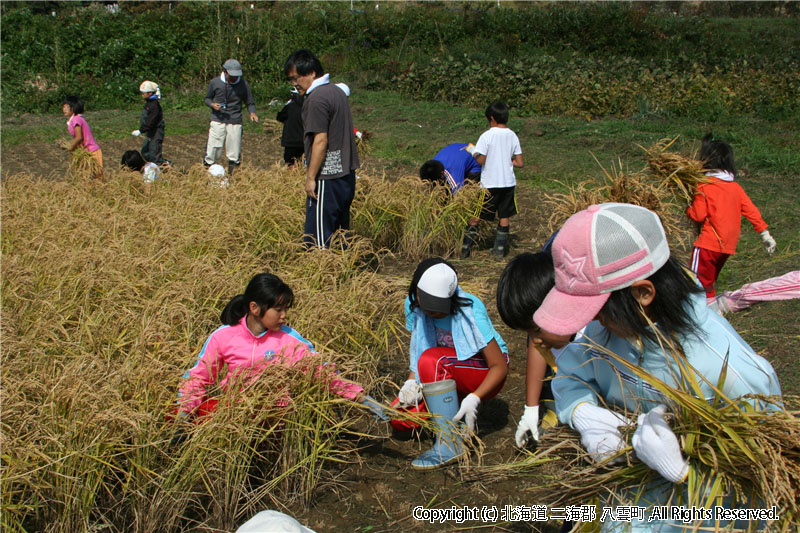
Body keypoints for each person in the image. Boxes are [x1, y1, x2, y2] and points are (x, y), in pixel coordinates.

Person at [532, 203, 781, 531]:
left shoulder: (736, 375)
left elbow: (763, 501)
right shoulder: (606, 333)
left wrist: (686, 475)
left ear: (643, 294)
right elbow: (570, 374)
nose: (592, 321)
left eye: (598, 310)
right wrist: (583, 412)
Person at [177, 273, 386, 421]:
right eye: (278, 310)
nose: (284, 316)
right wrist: (183, 415)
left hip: (274, 416)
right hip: (234, 412)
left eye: (286, 309)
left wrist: (361, 397)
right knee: (183, 412)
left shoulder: (289, 339)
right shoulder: (224, 335)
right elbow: (198, 377)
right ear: (254, 308)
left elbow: (320, 371)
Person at [395, 258, 509, 469]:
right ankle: (450, 413)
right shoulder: (412, 305)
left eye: (440, 309)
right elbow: (418, 347)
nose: (433, 314)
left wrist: (475, 398)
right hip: (444, 368)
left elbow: (499, 366)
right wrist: (410, 384)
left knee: (433, 360)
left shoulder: (470, 310)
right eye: (428, 307)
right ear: (417, 293)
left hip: (483, 372)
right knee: (400, 420)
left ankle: (450, 444)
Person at [283, 49, 359, 249]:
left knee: (317, 239)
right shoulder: (336, 92)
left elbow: (320, 141)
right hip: (346, 174)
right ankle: (341, 274)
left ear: (311, 73)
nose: (294, 83)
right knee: (340, 234)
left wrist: (310, 178)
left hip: (327, 177)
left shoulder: (316, 99)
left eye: (295, 78)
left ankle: (320, 277)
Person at [687, 133, 776, 302]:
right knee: (708, 281)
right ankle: (710, 309)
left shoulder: (704, 185)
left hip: (708, 244)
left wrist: (688, 209)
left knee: (695, 282)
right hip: (727, 246)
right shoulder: (735, 188)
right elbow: (752, 211)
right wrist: (765, 234)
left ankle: (706, 314)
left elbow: (698, 215)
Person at [461, 101, 523, 259]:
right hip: (508, 183)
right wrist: (507, 162)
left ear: (492, 118)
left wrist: (473, 152)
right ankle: (499, 251)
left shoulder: (486, 136)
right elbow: (520, 163)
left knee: (476, 216)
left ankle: (465, 249)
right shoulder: (513, 135)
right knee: (504, 216)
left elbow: (481, 160)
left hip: (490, 184)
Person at [203, 59, 259, 176]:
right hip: (218, 119)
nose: (234, 78)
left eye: (236, 76)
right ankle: (207, 171)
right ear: (225, 72)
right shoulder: (215, 82)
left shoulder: (243, 84)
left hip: (235, 119)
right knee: (214, 147)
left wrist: (252, 113)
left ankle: (233, 174)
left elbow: (250, 102)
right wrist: (212, 105)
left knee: (234, 148)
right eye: (231, 75)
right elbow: (207, 99)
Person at [62, 95, 103, 179]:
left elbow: (79, 137)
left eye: (66, 107)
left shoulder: (76, 119)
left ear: (72, 108)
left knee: (96, 179)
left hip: (92, 152)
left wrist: (70, 148)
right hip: (87, 152)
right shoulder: (75, 120)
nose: (64, 109)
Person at [131, 80, 167, 165]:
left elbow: (151, 120)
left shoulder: (154, 105)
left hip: (156, 132)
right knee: (145, 152)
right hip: (150, 132)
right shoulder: (149, 103)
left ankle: (166, 168)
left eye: (144, 93)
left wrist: (141, 130)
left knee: (154, 155)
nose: (142, 94)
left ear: (150, 93)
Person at [276, 89, 305, 169]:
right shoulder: (307, 107)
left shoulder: (289, 107)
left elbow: (279, 117)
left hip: (290, 141)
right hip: (302, 141)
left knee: (290, 162)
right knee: (300, 162)